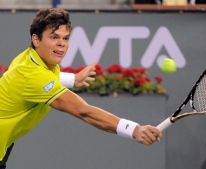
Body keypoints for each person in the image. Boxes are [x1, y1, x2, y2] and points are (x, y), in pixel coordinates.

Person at [0, 8, 162, 168]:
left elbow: (42, 80)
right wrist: (134, 130)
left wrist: (73, 79)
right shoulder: (34, 76)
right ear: (36, 40)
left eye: (65, 38)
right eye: (54, 37)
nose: (61, 44)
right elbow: (83, 111)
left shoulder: (29, 60)